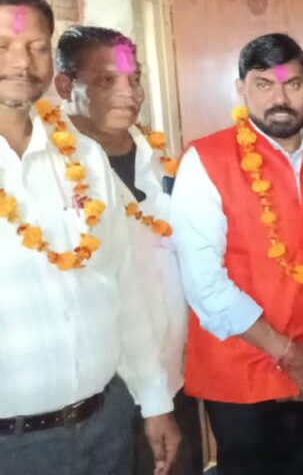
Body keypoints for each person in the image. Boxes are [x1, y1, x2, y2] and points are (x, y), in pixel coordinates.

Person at [0, 0, 180, 474]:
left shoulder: (83, 156)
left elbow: (123, 284)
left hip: (105, 424)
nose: (21, 62)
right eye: (4, 45)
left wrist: (155, 400)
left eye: (36, 47)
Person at [169, 33, 303, 475]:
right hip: (240, 370)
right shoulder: (206, 160)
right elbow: (203, 280)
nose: (280, 99)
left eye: (293, 84)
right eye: (264, 84)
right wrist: (287, 353)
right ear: (241, 88)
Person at [53, 25, 202, 475]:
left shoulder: (160, 158)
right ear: (66, 86)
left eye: (134, 79)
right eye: (106, 80)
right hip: (103, 393)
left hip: (175, 375)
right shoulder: (51, 168)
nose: (128, 93)